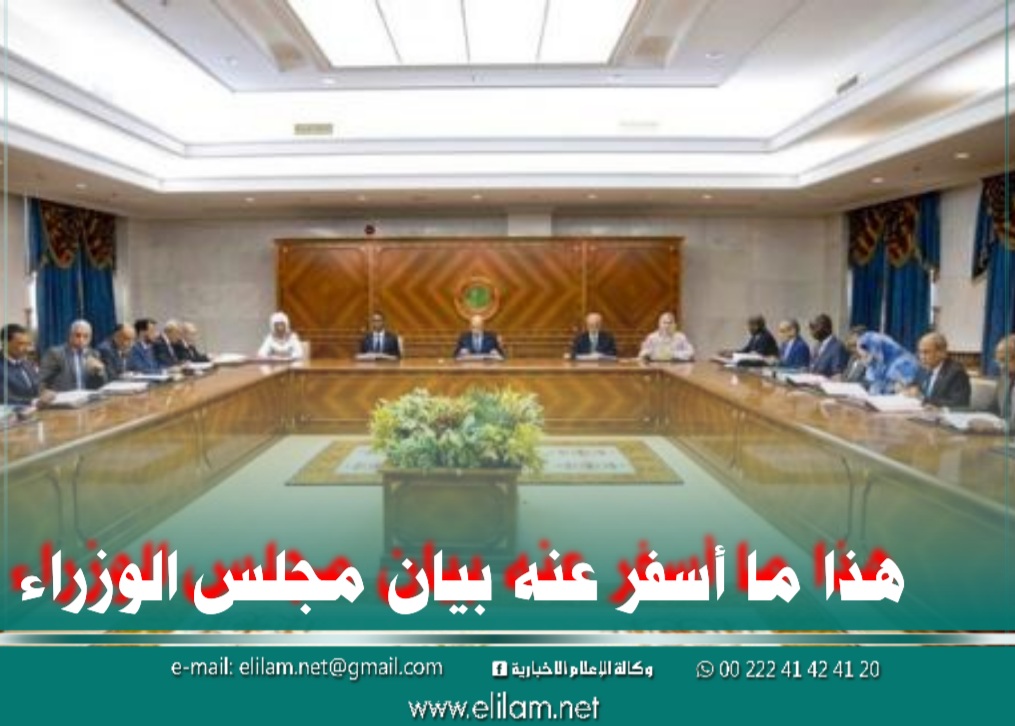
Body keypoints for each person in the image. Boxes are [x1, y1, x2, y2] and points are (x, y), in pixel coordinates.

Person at [39, 319, 108, 393]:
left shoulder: (94, 354)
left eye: (86, 336)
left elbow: (102, 384)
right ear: (70, 336)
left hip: (87, 397)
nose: (81, 340)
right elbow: (42, 380)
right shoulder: (55, 354)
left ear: (90, 338)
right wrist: (44, 392)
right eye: (77, 335)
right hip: (64, 398)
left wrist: (99, 372)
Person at [907, 332, 971, 408]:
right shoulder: (923, 368)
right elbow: (914, 384)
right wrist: (909, 389)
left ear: (942, 353)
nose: (922, 357)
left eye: (926, 352)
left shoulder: (956, 373)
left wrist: (927, 401)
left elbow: (960, 403)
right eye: (920, 352)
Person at [2, 323, 44, 406]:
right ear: (5, 343)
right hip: (14, 413)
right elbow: (4, 398)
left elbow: (36, 385)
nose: (27, 349)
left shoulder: (27, 363)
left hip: (37, 410)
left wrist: (45, 391)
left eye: (27, 344)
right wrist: (33, 402)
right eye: (21, 343)